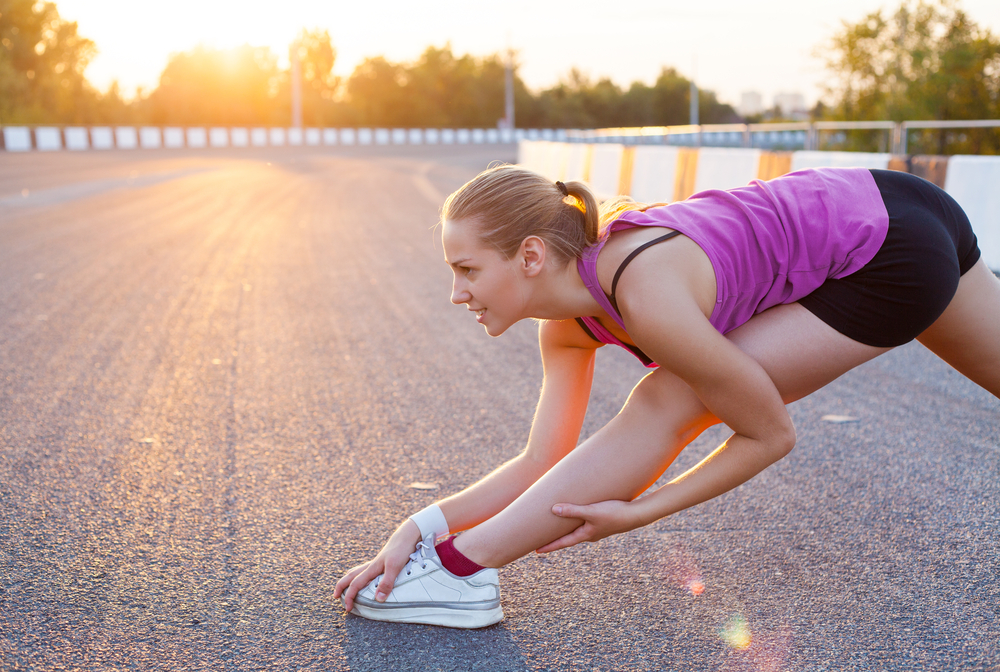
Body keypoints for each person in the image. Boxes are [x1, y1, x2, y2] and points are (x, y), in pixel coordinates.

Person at [334, 164, 1000, 629]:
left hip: (890, 246)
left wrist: (642, 513)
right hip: (896, 201)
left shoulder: (645, 290)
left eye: (467, 270)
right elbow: (542, 460)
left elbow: (770, 434)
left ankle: (459, 575)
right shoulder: (565, 330)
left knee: (669, 399)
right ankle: (450, 557)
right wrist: (424, 526)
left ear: (531, 256)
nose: (457, 293)